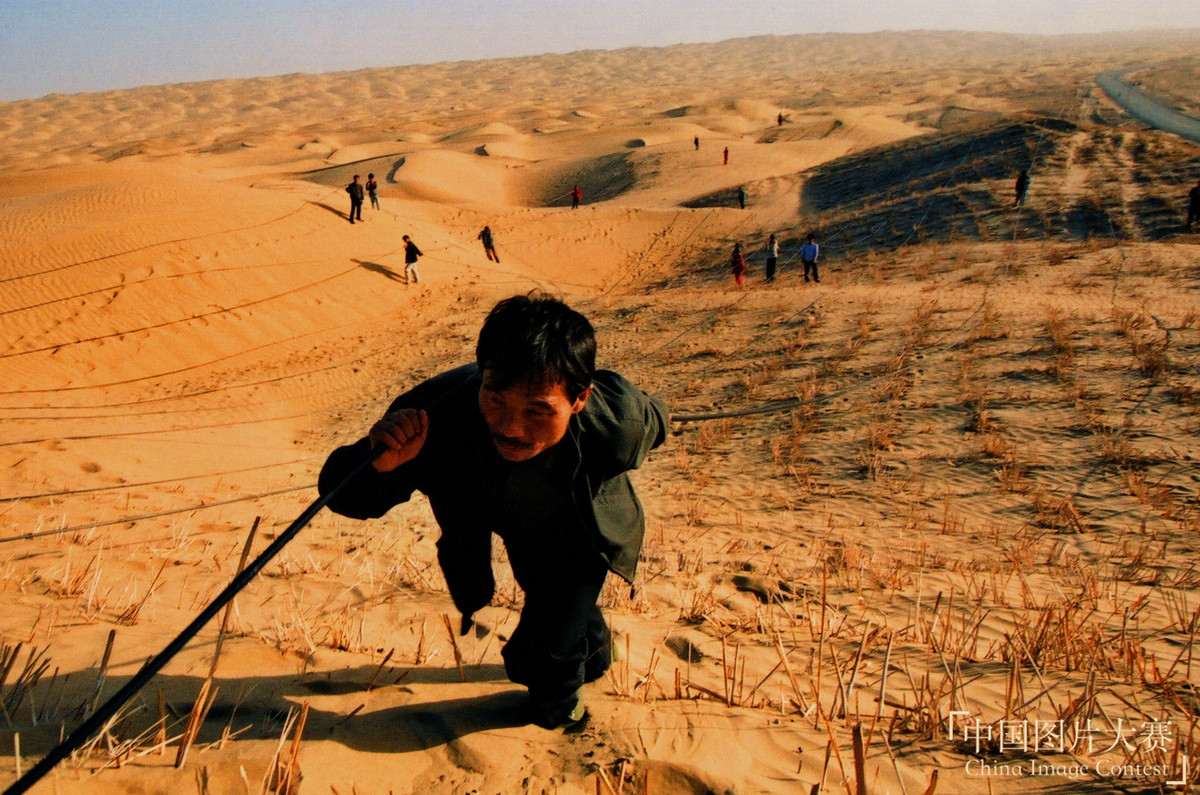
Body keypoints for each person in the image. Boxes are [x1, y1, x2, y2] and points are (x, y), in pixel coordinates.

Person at [318, 294, 668, 730]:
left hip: (583, 530)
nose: (510, 427)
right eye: (495, 399)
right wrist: (381, 464)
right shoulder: (436, 416)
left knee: (540, 654)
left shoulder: (618, 424)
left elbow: (655, 419)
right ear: (483, 377)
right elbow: (342, 494)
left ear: (579, 399)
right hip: (515, 526)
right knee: (556, 606)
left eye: (538, 410)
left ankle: (563, 717)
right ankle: (594, 650)